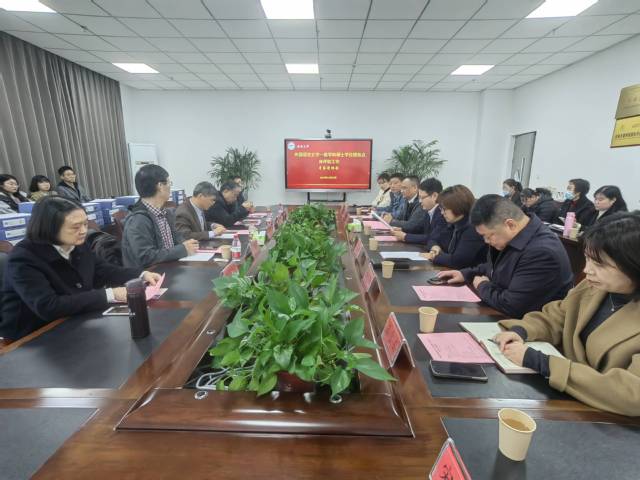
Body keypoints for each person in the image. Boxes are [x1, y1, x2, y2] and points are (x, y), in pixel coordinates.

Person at [494, 213, 640, 416]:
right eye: (588, 258)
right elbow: (558, 316)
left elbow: (632, 394)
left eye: (599, 264)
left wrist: (544, 363)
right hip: (565, 399)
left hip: (607, 418)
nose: (587, 270)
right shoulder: (594, 286)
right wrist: (522, 330)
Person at [0, 196, 162, 341]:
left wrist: (141, 274)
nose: (84, 231)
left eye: (85, 224)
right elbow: (49, 306)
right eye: (75, 227)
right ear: (50, 228)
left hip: (73, 319)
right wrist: (111, 294)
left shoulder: (77, 244)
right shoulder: (23, 258)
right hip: (32, 335)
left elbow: (103, 271)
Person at [438, 195, 573, 318]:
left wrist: (483, 286)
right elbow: (495, 267)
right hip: (503, 314)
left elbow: (512, 305)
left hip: (527, 326)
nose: (486, 241)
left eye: (489, 235)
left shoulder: (542, 253)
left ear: (510, 224)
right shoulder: (515, 236)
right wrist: (465, 274)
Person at [121, 165, 198, 269]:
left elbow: (176, 238)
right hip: (151, 274)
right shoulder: (138, 220)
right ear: (160, 186)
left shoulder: (166, 213)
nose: (170, 187)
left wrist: (185, 243)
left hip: (171, 268)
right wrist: (182, 249)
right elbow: (146, 257)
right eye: (169, 183)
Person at [421, 185, 487, 269]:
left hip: (469, 274)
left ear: (457, 206)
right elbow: (432, 239)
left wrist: (433, 256)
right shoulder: (453, 223)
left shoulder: (473, 229)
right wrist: (435, 247)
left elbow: (457, 261)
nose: (442, 213)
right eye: (441, 209)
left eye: (444, 209)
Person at [392, 177, 450, 250]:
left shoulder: (442, 214)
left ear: (434, 196)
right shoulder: (428, 210)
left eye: (422, 198)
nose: (420, 201)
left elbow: (432, 237)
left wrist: (405, 236)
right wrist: (402, 229)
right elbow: (419, 228)